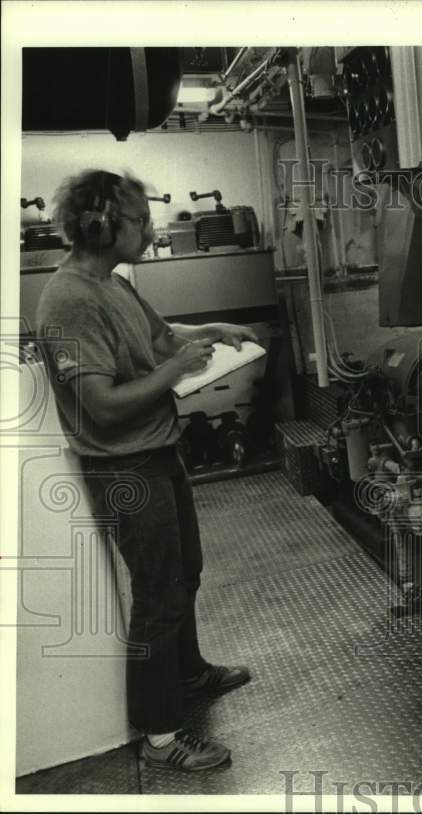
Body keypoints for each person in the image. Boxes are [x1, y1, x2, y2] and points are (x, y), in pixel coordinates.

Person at [35, 169, 257, 771]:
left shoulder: (114, 284)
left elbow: (159, 340)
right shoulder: (69, 299)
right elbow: (100, 406)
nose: (151, 230)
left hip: (159, 449)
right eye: (139, 219)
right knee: (158, 596)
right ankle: (160, 737)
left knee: (185, 572)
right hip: (125, 466)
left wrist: (206, 332)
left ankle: (188, 674)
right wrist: (176, 370)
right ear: (101, 224)